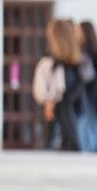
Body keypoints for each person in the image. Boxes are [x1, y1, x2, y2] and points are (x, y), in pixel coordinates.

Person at [32, 18, 87, 151]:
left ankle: (51, 141)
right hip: (70, 107)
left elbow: (64, 91)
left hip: (69, 107)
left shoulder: (64, 64)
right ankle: (53, 141)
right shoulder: (72, 61)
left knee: (63, 109)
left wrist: (52, 101)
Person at [76, 21, 97, 152]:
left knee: (92, 119)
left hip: (89, 90)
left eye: (79, 31)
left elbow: (87, 76)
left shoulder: (87, 52)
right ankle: (89, 146)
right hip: (93, 89)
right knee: (87, 120)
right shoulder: (93, 51)